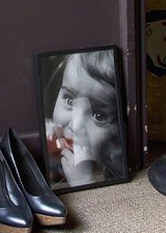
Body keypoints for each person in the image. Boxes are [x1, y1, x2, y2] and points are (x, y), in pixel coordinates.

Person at [43, 49, 124, 189]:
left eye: (99, 115)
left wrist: (83, 180)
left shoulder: (114, 165)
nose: (76, 125)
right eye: (69, 100)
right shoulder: (51, 135)